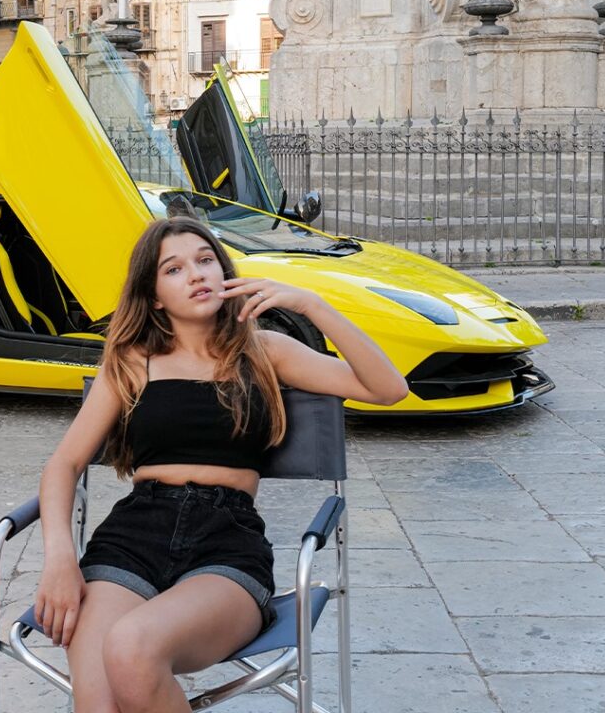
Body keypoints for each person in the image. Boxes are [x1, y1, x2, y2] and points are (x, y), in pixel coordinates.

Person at [35, 216, 408, 713]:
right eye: (174, 269)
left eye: (205, 259)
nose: (196, 274)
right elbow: (64, 464)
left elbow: (389, 388)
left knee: (130, 646)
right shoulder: (129, 362)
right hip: (132, 538)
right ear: (154, 297)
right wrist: (60, 560)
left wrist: (310, 304)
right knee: (99, 703)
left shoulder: (264, 352)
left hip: (225, 543)